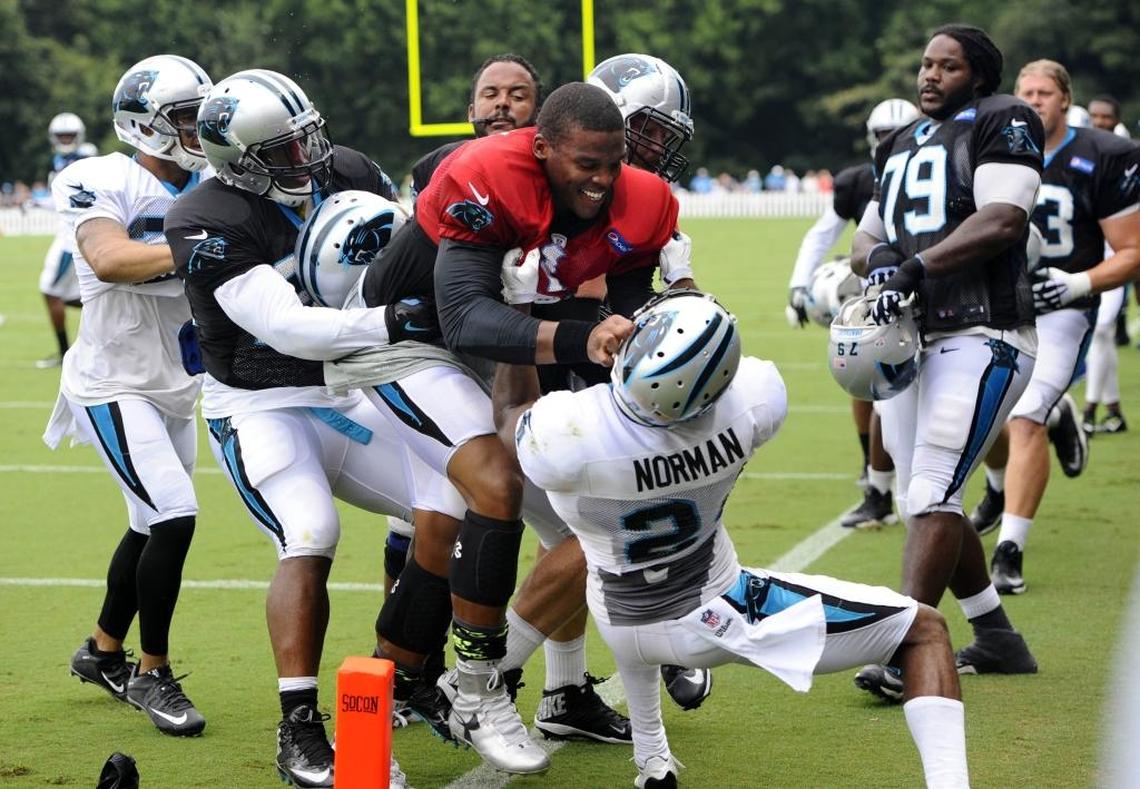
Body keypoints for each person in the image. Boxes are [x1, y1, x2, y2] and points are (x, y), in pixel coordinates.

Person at [493, 289, 970, 789]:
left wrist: (518, 306)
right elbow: (730, 373)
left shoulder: (570, 433)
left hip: (616, 614)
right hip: (711, 613)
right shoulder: (752, 404)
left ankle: (653, 763)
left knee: (616, 586)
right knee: (926, 631)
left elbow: (509, 412)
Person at [357, 82, 678, 773]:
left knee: (590, 530)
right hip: (408, 342)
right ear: (542, 149)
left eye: (612, 163)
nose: (602, 179)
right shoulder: (489, 175)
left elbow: (621, 313)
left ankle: (415, 699)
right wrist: (580, 337)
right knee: (494, 483)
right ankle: (477, 685)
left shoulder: (645, 200)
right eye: (585, 164)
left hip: (504, 353)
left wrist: (665, 323)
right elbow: (465, 318)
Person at [165, 68, 435, 787]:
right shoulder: (204, 216)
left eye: (308, 136)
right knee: (310, 533)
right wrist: (392, 320)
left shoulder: (346, 169)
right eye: (286, 149)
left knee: (449, 507)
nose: (310, 157)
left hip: (346, 390)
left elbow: (408, 241)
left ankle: (408, 672)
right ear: (238, 161)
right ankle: (299, 726)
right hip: (261, 402)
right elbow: (286, 327)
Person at [849, 24, 1044, 700]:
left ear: (979, 76)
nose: (930, 75)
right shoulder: (901, 141)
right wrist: (882, 260)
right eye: (926, 64)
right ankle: (995, 634)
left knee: (932, 492)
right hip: (917, 338)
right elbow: (866, 238)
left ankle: (906, 648)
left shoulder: (1001, 118)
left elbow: (1004, 218)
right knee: (924, 501)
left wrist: (915, 267)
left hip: (985, 331)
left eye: (948, 66)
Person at [44, 55, 213, 737]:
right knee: (174, 515)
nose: (199, 128)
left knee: (148, 524)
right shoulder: (99, 177)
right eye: (186, 117)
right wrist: (214, 245)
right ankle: (152, 671)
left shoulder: (217, 180)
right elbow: (110, 259)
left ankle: (102, 650)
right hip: (111, 382)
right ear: (146, 124)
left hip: (175, 381)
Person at [967, 61, 1139, 594]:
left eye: (1045, 92)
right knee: (980, 409)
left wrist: (1078, 284)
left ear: (1066, 99)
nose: (1035, 100)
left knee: (1024, 417)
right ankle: (1003, 479)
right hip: (999, 301)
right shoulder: (990, 147)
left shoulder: (1103, 155)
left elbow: (1132, 250)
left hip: (1063, 304)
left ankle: (1009, 549)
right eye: (1026, 92)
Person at [787, 98, 920, 529]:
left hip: (934, 297)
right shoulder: (861, 182)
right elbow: (822, 235)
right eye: (884, 136)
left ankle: (999, 481)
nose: (891, 142)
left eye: (898, 135)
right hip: (881, 304)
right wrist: (798, 285)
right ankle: (878, 486)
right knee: (873, 391)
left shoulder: (941, 168)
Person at [36, 112, 91, 368]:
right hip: (67, 233)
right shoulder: (61, 160)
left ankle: (64, 352)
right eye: (62, 136)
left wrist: (36, 202)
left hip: (72, 237)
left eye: (70, 136)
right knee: (62, 294)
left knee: (50, 291)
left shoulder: (84, 159)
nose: (66, 140)